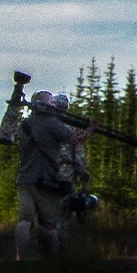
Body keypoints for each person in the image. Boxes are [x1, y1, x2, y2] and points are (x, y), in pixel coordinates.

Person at [12, 91, 91, 260]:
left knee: (24, 220)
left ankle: (19, 259)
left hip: (24, 178)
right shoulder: (53, 123)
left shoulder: (25, 124)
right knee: (50, 224)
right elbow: (75, 138)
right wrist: (91, 128)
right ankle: (52, 259)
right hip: (46, 180)